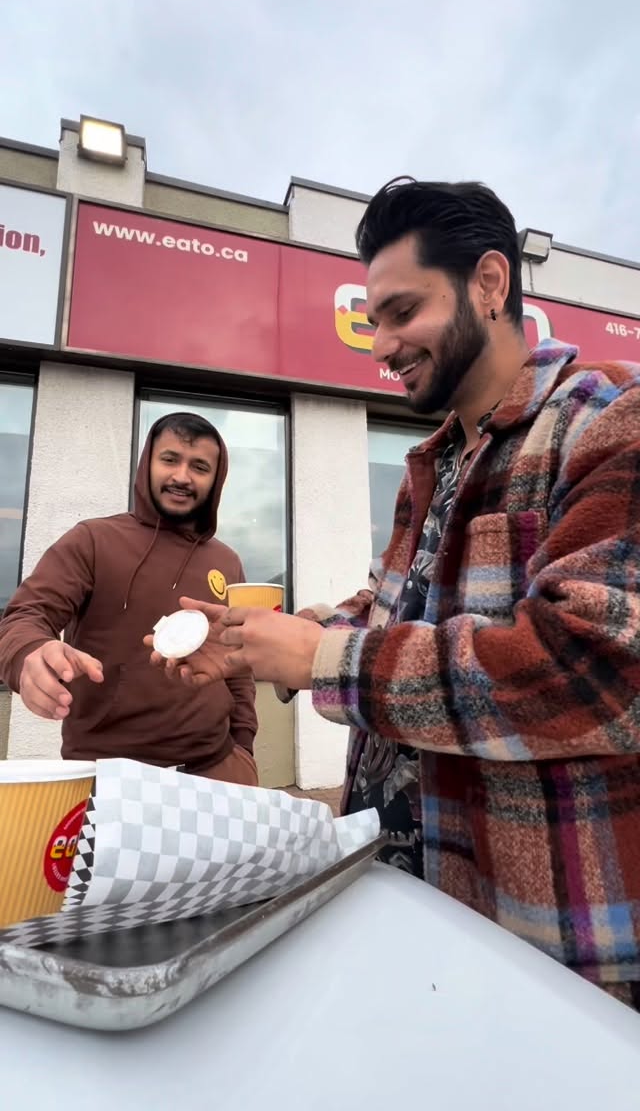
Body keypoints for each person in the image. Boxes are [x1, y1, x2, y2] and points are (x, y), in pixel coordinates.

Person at [150, 178, 640, 1009]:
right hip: (412, 888)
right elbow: (395, 608)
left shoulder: (608, 418)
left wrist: (323, 658)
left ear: (489, 283)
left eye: (402, 312)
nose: (380, 344)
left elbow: (591, 672)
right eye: (374, 319)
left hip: (547, 943)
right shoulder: (434, 463)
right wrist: (270, 638)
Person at [0, 412, 258, 783]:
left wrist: (243, 746)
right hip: (105, 774)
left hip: (216, 767)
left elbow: (238, 664)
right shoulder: (92, 540)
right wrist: (28, 653)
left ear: (216, 479)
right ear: (147, 463)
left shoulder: (227, 561)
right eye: (170, 459)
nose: (182, 476)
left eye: (199, 466)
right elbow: (26, 615)